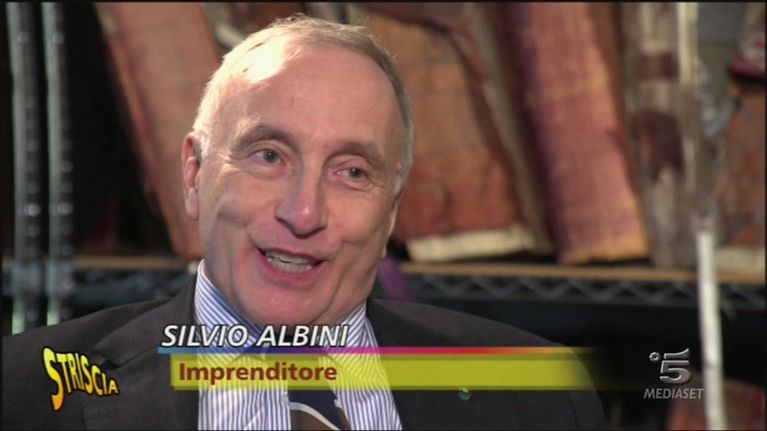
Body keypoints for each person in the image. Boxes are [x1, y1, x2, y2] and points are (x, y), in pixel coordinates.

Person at [2, 15, 605, 430]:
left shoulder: (539, 396)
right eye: (269, 156)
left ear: (392, 209)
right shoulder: (22, 391)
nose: (304, 213)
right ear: (194, 174)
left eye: (352, 172)